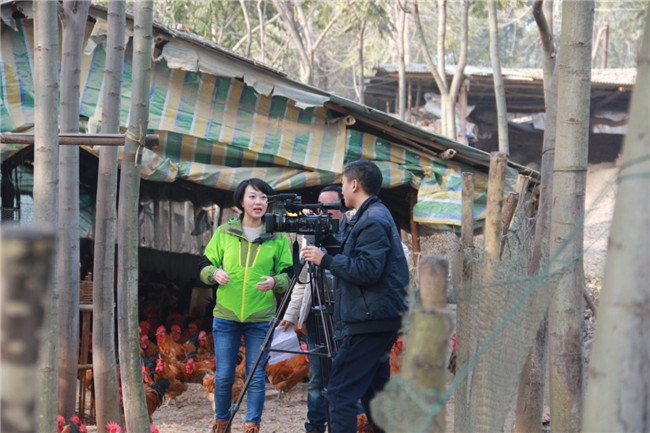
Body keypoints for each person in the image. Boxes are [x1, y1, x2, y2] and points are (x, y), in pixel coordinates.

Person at [301, 160, 409, 433]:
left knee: (339, 393)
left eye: (342, 184)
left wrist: (324, 260)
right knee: (375, 396)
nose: (341, 191)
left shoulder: (372, 220)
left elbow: (368, 270)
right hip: (376, 317)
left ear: (354, 184)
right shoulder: (369, 215)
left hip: (370, 320)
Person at [199, 178, 294, 433]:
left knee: (254, 376)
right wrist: (214, 274)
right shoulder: (224, 233)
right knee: (224, 376)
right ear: (241, 200)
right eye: (253, 196)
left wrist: (275, 280)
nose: (259, 202)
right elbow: (204, 266)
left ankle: (252, 425)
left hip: (261, 316)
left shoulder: (277, 237)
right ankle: (222, 422)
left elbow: (288, 274)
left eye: (264, 197)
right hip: (226, 316)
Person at [278, 185, 346, 433]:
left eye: (330, 206)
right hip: (317, 315)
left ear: (342, 206)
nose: (324, 211)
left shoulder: (353, 231)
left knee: (346, 372)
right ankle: (315, 426)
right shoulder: (312, 234)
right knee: (317, 375)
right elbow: (302, 280)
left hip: (347, 316)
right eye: (320, 206)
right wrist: (290, 315)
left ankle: (348, 424)